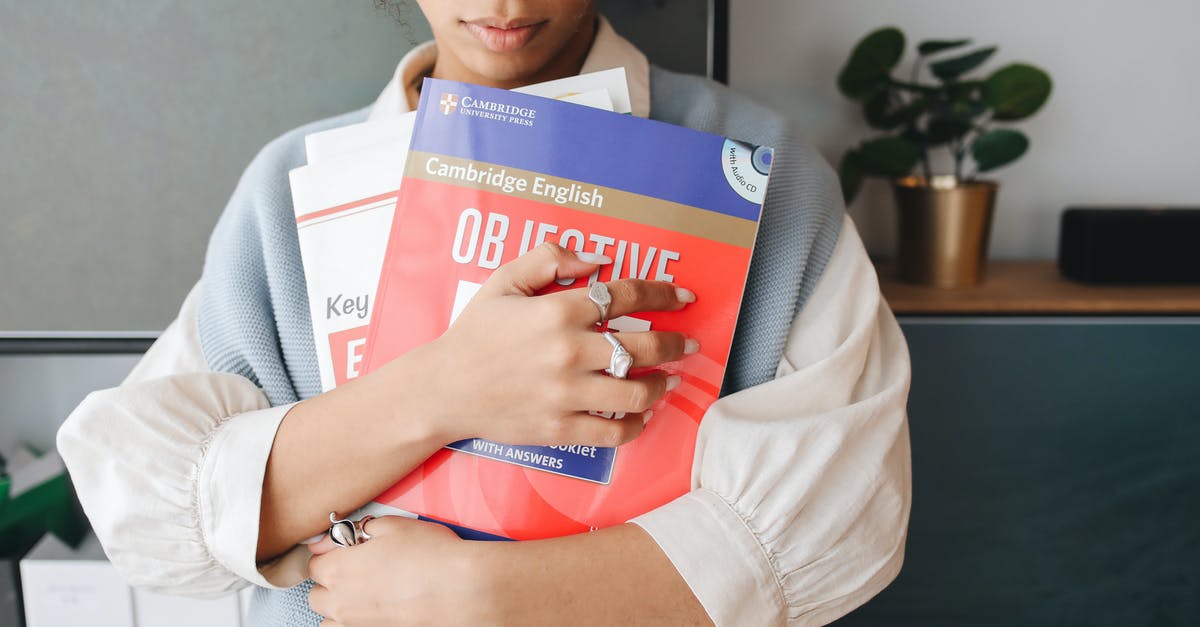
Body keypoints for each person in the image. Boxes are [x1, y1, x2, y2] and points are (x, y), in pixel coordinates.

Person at [57, 1, 912, 625]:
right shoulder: (293, 189)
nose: (504, 5)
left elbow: (844, 513)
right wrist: (443, 390)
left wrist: (486, 596)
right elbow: (149, 492)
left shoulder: (764, 172)